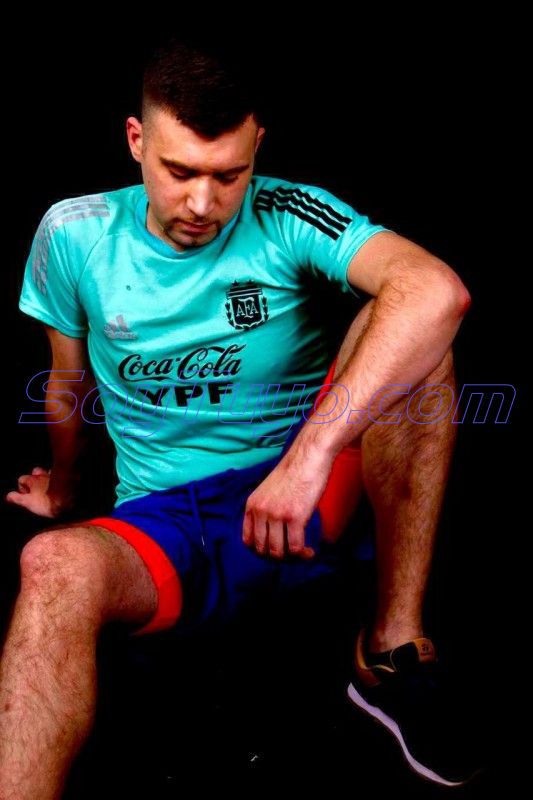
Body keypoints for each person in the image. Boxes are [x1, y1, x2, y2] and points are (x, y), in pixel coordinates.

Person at [0, 38, 477, 799]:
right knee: (51, 567)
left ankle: (389, 652)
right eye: (179, 171)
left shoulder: (287, 211)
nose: (202, 204)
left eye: (228, 176)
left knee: (417, 336)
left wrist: (306, 460)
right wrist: (62, 491)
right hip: (164, 520)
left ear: (257, 146)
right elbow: (67, 384)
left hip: (304, 497)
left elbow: (435, 290)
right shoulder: (74, 233)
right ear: (136, 141)